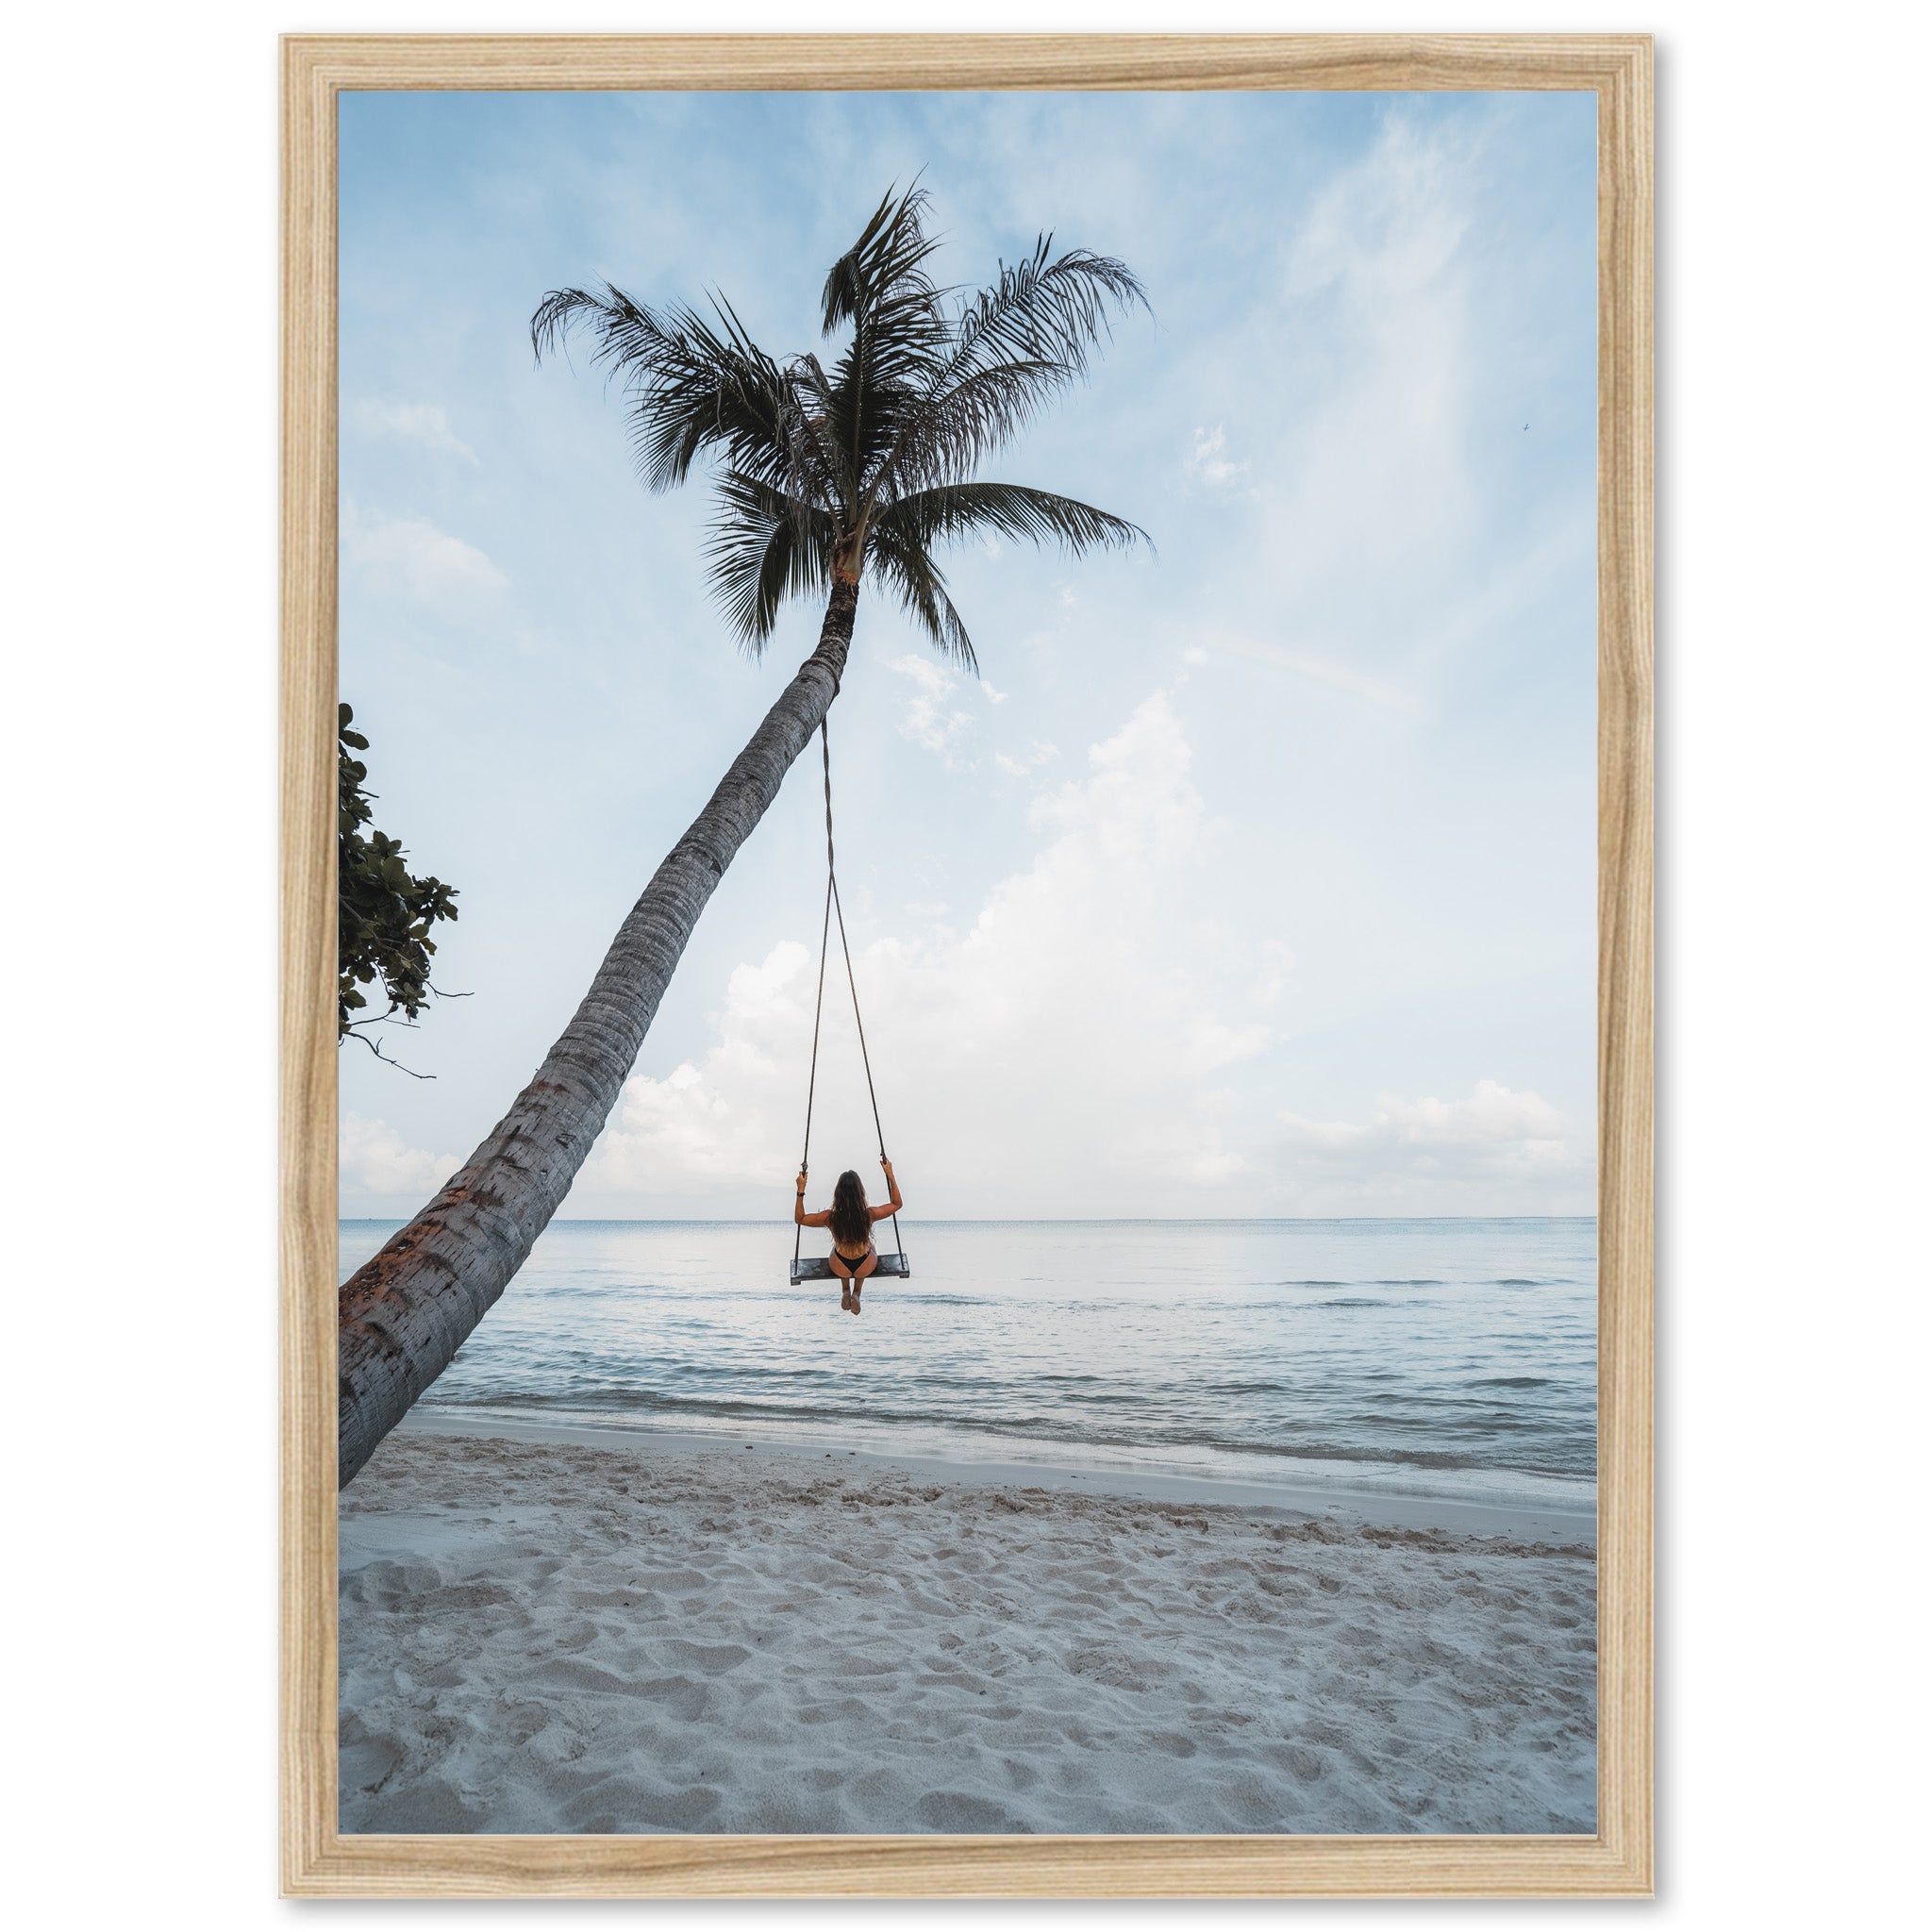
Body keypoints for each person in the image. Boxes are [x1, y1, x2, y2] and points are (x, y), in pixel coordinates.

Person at [795, 1158, 903, 1307]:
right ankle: (857, 1293)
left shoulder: (830, 1217)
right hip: (864, 1265)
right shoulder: (869, 1214)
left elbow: (800, 1218)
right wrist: (890, 1174)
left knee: (837, 1248)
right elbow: (897, 1204)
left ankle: (846, 1290)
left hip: (840, 1265)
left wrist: (801, 1190)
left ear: (838, 1193)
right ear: (860, 1193)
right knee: (869, 1246)